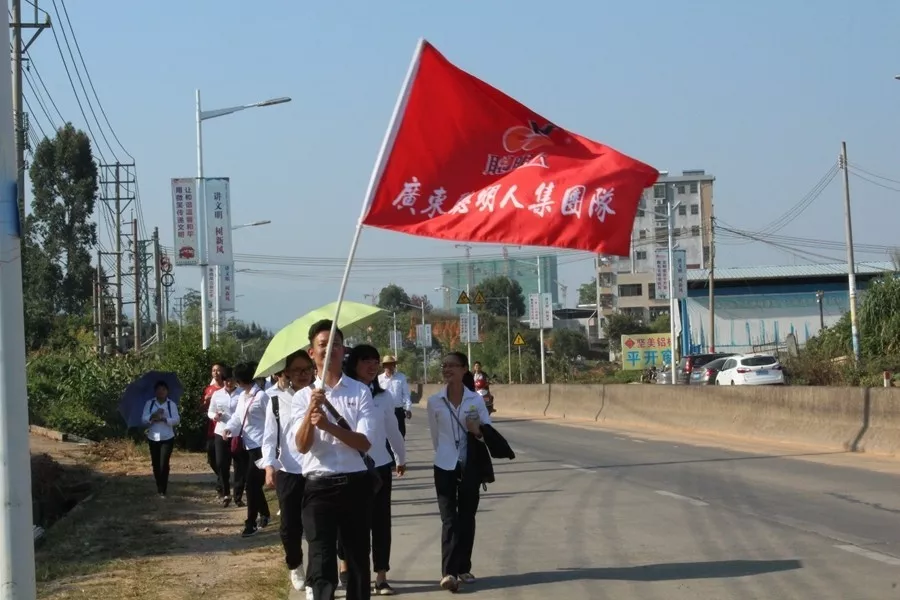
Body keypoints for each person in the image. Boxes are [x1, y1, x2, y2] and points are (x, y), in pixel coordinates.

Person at [292, 319, 376, 600]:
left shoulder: (360, 392)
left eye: (336, 344)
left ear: (344, 351)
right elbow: (302, 446)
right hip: (318, 488)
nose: (331, 350)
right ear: (311, 352)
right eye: (323, 345)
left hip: (355, 484)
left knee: (358, 558)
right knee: (321, 559)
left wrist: (328, 426)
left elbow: (364, 442)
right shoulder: (303, 397)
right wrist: (310, 414)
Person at [338, 345, 406, 595]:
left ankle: (381, 575)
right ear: (353, 363)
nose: (372, 365)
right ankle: (347, 565)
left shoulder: (383, 396)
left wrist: (401, 457)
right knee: (349, 522)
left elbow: (392, 430)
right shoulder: (343, 394)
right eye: (366, 360)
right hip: (349, 468)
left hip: (378, 467)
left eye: (375, 361)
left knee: (380, 522)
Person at [426, 352, 491, 592]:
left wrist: (477, 431)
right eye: (445, 365)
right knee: (449, 519)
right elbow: (435, 436)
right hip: (444, 465)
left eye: (453, 365)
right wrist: (445, 453)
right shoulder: (434, 401)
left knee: (467, 518)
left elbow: (488, 432)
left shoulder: (475, 400)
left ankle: (463, 566)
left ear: (465, 369)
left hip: (470, 466)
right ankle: (449, 572)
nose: (448, 369)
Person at [261, 352, 315, 592]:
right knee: (289, 526)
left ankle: (317, 577)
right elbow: (269, 436)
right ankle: (295, 564)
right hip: (289, 469)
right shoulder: (274, 400)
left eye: (307, 369)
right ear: (287, 373)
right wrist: (269, 465)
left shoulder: (320, 395)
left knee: (317, 527)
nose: (302, 374)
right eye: (297, 370)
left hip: (317, 469)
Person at [224, 362, 271, 537]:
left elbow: (271, 422)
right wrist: (229, 428)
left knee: (251, 485)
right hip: (246, 445)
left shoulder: (262, 397)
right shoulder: (243, 396)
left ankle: (250, 523)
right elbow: (237, 416)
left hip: (260, 447)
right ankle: (265, 513)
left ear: (239, 380)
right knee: (253, 485)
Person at [141, 381, 181, 498]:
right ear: (155, 391)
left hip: (167, 436)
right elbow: (143, 418)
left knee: (164, 463)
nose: (161, 392)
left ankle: (163, 489)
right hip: (153, 436)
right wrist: (152, 417)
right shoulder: (150, 403)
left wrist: (165, 419)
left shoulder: (171, 404)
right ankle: (159, 485)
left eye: (163, 389)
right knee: (156, 463)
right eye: (159, 389)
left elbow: (177, 419)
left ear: (167, 391)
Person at [208, 366, 241, 507]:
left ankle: (238, 496)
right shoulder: (217, 394)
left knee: (239, 465)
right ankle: (226, 492)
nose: (228, 383)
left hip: (237, 433)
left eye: (231, 380)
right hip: (220, 432)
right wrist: (214, 416)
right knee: (222, 463)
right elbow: (210, 411)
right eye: (226, 380)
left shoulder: (241, 394)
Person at [202, 363, 226, 497]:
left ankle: (221, 484)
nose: (216, 373)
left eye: (218, 370)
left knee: (222, 459)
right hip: (212, 429)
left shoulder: (227, 387)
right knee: (212, 458)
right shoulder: (209, 389)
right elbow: (202, 409)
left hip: (224, 429)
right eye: (213, 370)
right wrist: (206, 401)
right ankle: (223, 478)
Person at [378, 356, 411, 438]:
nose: (389, 367)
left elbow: (406, 394)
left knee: (400, 435)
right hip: (384, 411)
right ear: (384, 366)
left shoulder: (401, 377)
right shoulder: (379, 379)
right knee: (386, 437)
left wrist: (408, 408)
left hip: (398, 411)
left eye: (391, 364)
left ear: (395, 365)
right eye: (387, 365)